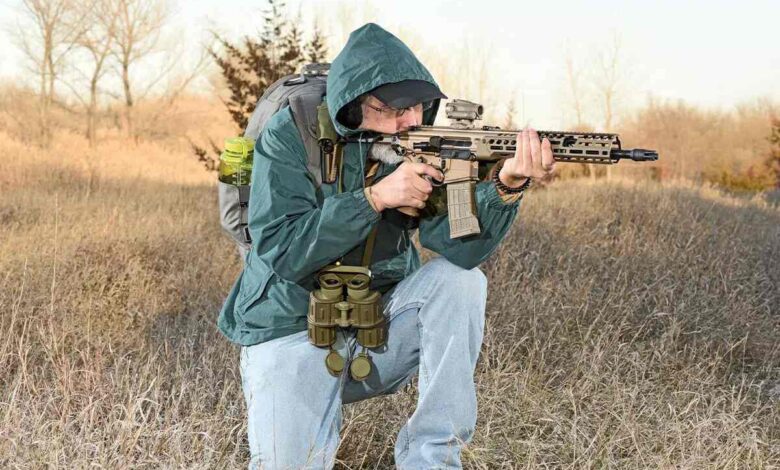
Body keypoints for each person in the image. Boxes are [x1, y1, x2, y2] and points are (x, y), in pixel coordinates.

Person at [218, 23, 555, 469]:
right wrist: (374, 199)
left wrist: (506, 185)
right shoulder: (291, 133)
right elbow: (282, 249)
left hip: (376, 326)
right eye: (393, 109)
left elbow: (459, 249)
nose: (410, 120)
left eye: (416, 106)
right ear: (353, 104)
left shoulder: (418, 146)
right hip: (290, 328)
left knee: (460, 283)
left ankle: (432, 459)